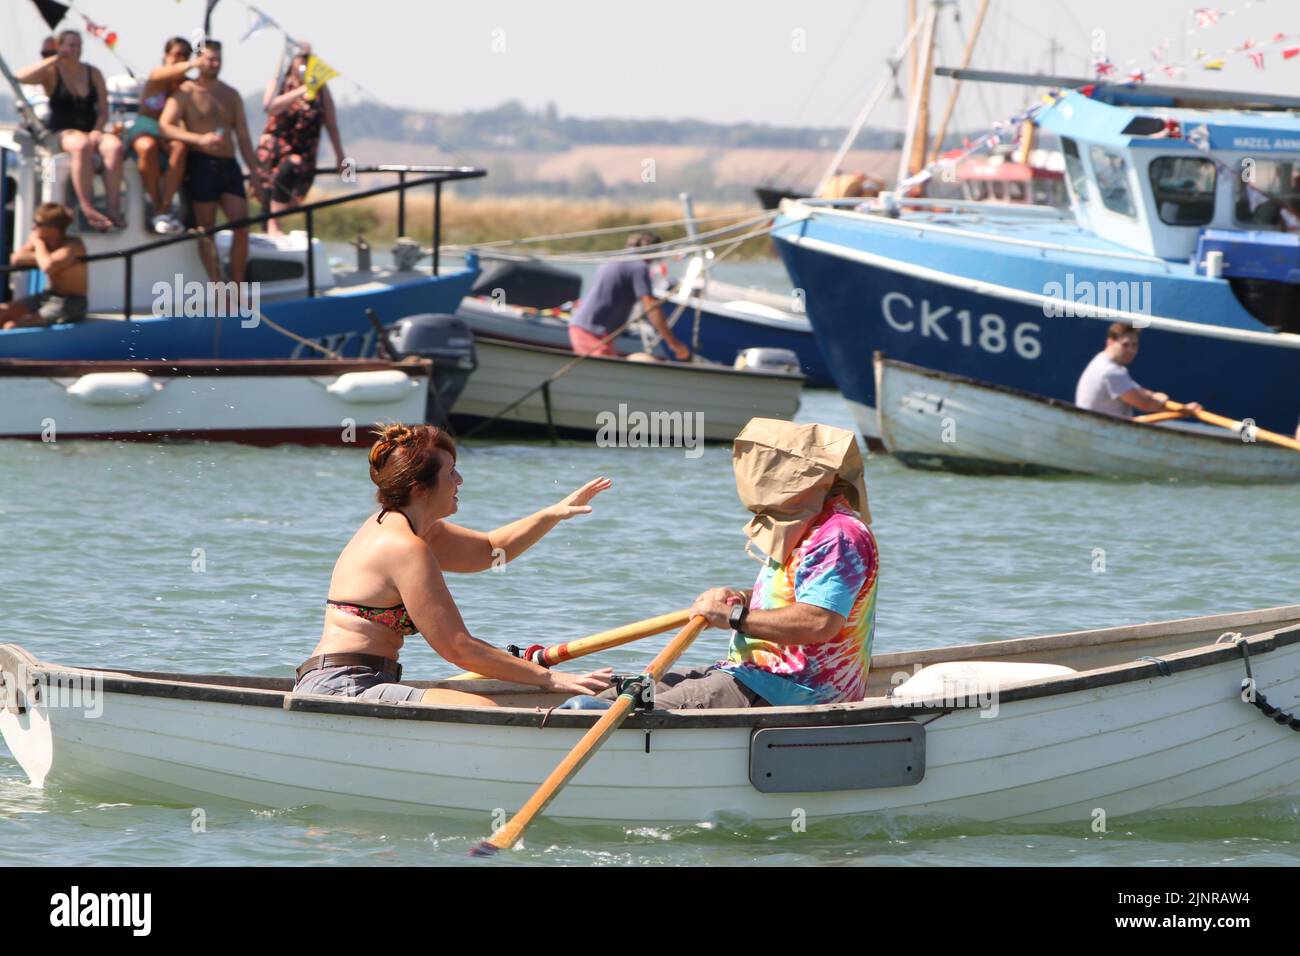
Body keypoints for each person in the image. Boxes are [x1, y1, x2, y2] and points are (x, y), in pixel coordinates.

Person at [293, 423, 616, 706]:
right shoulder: (404, 547)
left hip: (360, 679)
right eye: (450, 473)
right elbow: (457, 647)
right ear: (420, 488)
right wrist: (551, 680)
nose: (459, 480)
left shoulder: (407, 527)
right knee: (482, 710)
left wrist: (552, 514)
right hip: (343, 687)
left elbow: (491, 551)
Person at [568, 419, 879, 711]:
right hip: (750, 673)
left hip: (792, 690)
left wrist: (732, 616)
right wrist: (741, 598)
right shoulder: (804, 525)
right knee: (616, 694)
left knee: (605, 711)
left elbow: (819, 622)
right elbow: (799, 595)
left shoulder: (837, 535)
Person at [159, 40, 264, 284]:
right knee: (207, 230)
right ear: (198, 61)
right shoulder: (186, 91)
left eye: (217, 59)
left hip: (229, 164)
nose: (213, 64)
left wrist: (256, 174)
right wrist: (198, 139)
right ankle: (217, 285)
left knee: (242, 226)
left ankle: (236, 285)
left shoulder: (231, 94)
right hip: (201, 164)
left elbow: (244, 137)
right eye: (208, 59)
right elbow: (166, 126)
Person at [16, 30, 126, 232]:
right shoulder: (52, 72)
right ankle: (87, 206)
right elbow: (21, 77)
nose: (75, 50)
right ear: (60, 46)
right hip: (63, 131)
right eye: (70, 45)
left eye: (78, 46)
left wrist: (97, 130)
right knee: (82, 145)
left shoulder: (93, 73)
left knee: (115, 146)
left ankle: (113, 207)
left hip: (91, 129)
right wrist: (55, 58)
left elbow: (103, 110)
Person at [257, 44, 345, 237]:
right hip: (275, 149)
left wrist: (340, 156)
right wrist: (302, 89)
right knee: (272, 186)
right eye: (301, 58)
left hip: (304, 151)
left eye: (308, 58)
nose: (305, 63)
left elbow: (331, 123)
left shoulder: (321, 88)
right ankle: (270, 227)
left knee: (292, 173)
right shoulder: (279, 83)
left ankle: (274, 224)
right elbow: (270, 107)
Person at [567, 232, 691, 359]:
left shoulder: (616, 259)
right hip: (591, 332)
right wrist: (674, 344)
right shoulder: (638, 267)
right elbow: (651, 308)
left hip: (589, 329)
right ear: (651, 250)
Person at [128, 37, 197, 235]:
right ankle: (157, 205)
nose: (180, 59)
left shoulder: (186, 86)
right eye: (176, 54)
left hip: (169, 133)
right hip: (145, 128)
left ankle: (165, 208)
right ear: (166, 56)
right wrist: (195, 63)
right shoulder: (157, 76)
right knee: (147, 147)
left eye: (185, 55)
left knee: (180, 148)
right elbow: (165, 74)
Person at [1075, 322, 1202, 418]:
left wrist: (1154, 396)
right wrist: (1184, 410)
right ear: (1110, 342)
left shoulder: (1101, 360)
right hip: (1104, 432)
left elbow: (1136, 391)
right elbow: (1145, 404)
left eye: (1134, 345)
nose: (1131, 350)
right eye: (1125, 345)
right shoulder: (1111, 372)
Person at [1, 203, 87, 329]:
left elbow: (47, 266)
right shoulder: (45, 244)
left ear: (53, 228)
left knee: (12, 326)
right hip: (47, 296)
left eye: (38, 223)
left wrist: (38, 243)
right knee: (2, 312)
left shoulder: (74, 245)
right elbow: (16, 258)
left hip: (71, 302)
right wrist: (44, 256)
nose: (34, 227)